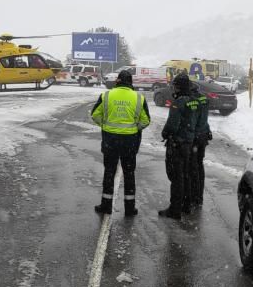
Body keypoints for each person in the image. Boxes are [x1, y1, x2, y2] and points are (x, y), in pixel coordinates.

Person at [90, 68, 150, 216]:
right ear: (131, 83)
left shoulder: (106, 95)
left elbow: (95, 115)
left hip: (110, 140)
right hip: (129, 142)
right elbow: (146, 120)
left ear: (117, 81)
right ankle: (130, 208)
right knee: (129, 174)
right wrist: (134, 129)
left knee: (109, 172)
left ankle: (106, 205)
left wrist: (105, 126)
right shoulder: (139, 98)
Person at [159, 73, 198, 219]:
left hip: (177, 144)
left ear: (179, 86)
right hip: (189, 143)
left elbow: (172, 124)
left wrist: (164, 133)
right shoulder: (193, 101)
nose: (173, 88)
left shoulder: (179, 102)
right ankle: (186, 205)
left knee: (176, 177)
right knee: (186, 175)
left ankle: (175, 209)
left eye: (175, 85)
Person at [190, 81, 211, 209]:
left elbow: (193, 120)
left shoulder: (194, 101)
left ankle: (194, 197)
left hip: (196, 137)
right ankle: (199, 197)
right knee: (199, 166)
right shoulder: (204, 99)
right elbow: (204, 120)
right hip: (203, 136)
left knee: (193, 167)